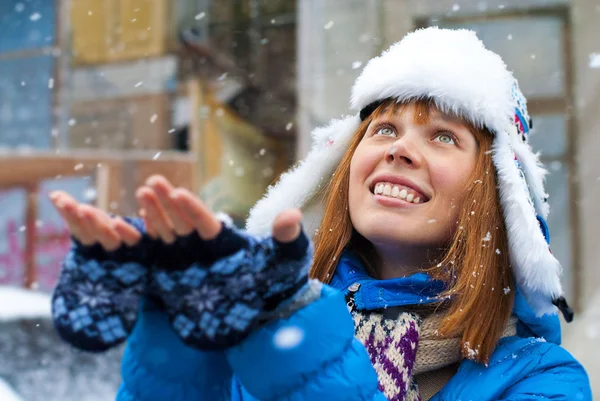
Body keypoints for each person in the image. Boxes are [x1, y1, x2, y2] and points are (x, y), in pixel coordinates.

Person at [49, 27, 591, 401]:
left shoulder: (540, 380)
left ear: (498, 200)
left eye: (443, 136)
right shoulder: (253, 329)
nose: (398, 150)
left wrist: (299, 342)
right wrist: (178, 348)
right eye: (384, 128)